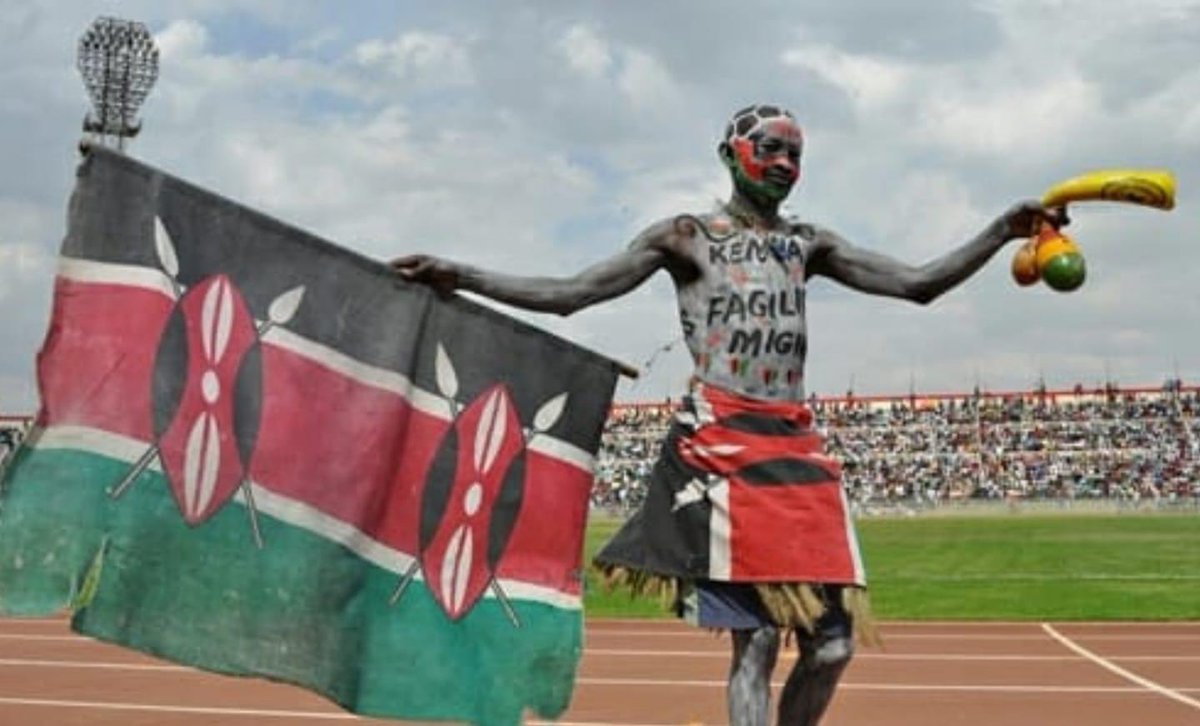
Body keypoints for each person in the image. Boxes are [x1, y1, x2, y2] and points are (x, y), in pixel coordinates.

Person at [393, 104, 1066, 725]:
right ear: (730, 152)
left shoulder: (808, 244)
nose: (783, 164)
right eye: (769, 149)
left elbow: (918, 285)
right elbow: (573, 293)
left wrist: (999, 233)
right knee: (757, 642)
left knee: (832, 647)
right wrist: (464, 275)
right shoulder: (687, 237)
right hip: (723, 446)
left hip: (796, 450)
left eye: (795, 156)